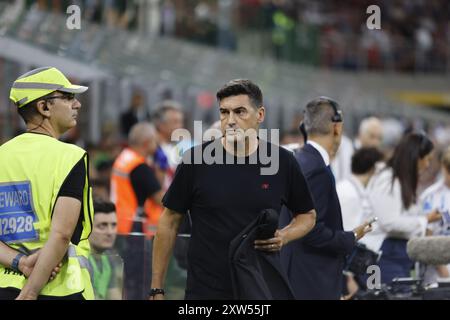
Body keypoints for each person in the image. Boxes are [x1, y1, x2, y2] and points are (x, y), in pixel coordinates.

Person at [150, 79, 316, 300]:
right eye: (224, 112)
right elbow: (169, 221)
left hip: (260, 289)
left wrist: (285, 236)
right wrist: (157, 288)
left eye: (240, 112)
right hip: (206, 292)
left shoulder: (282, 162)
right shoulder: (195, 161)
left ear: (260, 115)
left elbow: (307, 215)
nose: (230, 121)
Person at [0, 66, 94, 300]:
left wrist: (20, 262)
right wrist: (30, 292)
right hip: (59, 289)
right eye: (68, 97)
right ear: (44, 107)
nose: (77, 104)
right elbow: (62, 234)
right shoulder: (69, 157)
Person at [280, 97, 373, 300]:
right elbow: (311, 231)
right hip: (311, 280)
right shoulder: (316, 170)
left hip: (296, 274)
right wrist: (352, 236)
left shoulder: (300, 160)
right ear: (337, 128)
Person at [366, 132, 442, 285]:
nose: (427, 165)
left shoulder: (402, 181)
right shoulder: (387, 179)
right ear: (414, 158)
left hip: (399, 254)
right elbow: (389, 222)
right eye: (425, 159)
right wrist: (424, 220)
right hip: (383, 255)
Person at [110, 122, 164, 299]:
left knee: (126, 278)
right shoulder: (140, 167)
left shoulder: (124, 158)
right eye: (155, 142)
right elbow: (162, 199)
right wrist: (162, 170)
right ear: (147, 142)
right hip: (135, 230)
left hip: (120, 225)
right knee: (138, 281)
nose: (157, 146)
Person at [336, 147, 385, 299]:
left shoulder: (362, 190)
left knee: (375, 294)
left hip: (369, 261)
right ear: (373, 169)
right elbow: (346, 235)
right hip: (354, 268)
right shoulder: (347, 192)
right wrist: (349, 277)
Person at [418, 146, 450, 285]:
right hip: (437, 273)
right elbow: (427, 235)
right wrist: (443, 270)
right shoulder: (431, 196)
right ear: (443, 166)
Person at [88, 199, 123, 300]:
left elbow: (114, 295)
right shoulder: (78, 259)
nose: (110, 232)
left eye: (113, 225)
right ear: (87, 227)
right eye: (102, 225)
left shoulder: (109, 258)